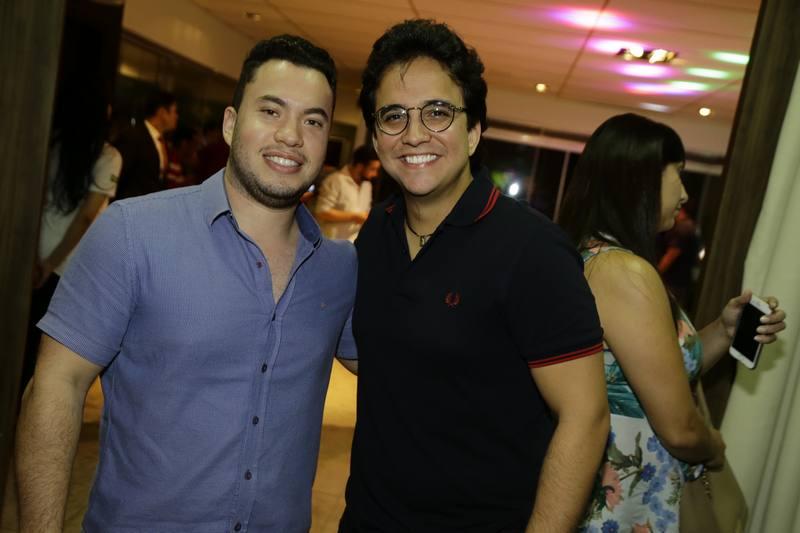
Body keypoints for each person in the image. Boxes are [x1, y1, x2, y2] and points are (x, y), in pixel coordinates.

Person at [16, 34, 357, 532]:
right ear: (230, 123)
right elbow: (55, 386)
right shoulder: (134, 233)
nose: (291, 135)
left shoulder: (340, 269)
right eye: (271, 111)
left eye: (313, 121)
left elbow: (403, 372)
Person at [338, 19, 610, 532]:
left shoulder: (533, 250)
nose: (414, 134)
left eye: (438, 112)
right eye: (393, 116)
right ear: (375, 138)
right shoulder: (377, 232)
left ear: (474, 131)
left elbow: (587, 417)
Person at [557, 113, 787, 532]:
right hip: (627, 498)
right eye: (677, 174)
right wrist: (714, 447)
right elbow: (679, 429)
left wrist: (725, 330)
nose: (684, 194)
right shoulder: (623, 272)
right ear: (639, 179)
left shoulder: (600, 258)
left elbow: (661, 373)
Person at [23, 83, 121, 393]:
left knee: (19, 339)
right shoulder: (108, 156)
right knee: (45, 354)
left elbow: (36, 197)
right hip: (65, 264)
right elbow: (86, 217)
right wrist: (50, 263)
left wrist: (35, 255)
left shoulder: (52, 142)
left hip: (35, 249)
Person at [113, 89, 178, 200]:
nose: (176, 116)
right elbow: (120, 173)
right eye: (174, 112)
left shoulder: (162, 141)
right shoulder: (134, 136)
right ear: (162, 112)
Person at [314, 144, 381, 241]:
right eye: (372, 169)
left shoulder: (367, 185)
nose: (375, 174)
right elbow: (322, 212)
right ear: (360, 166)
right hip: (332, 243)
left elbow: (365, 212)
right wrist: (355, 216)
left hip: (354, 242)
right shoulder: (335, 180)